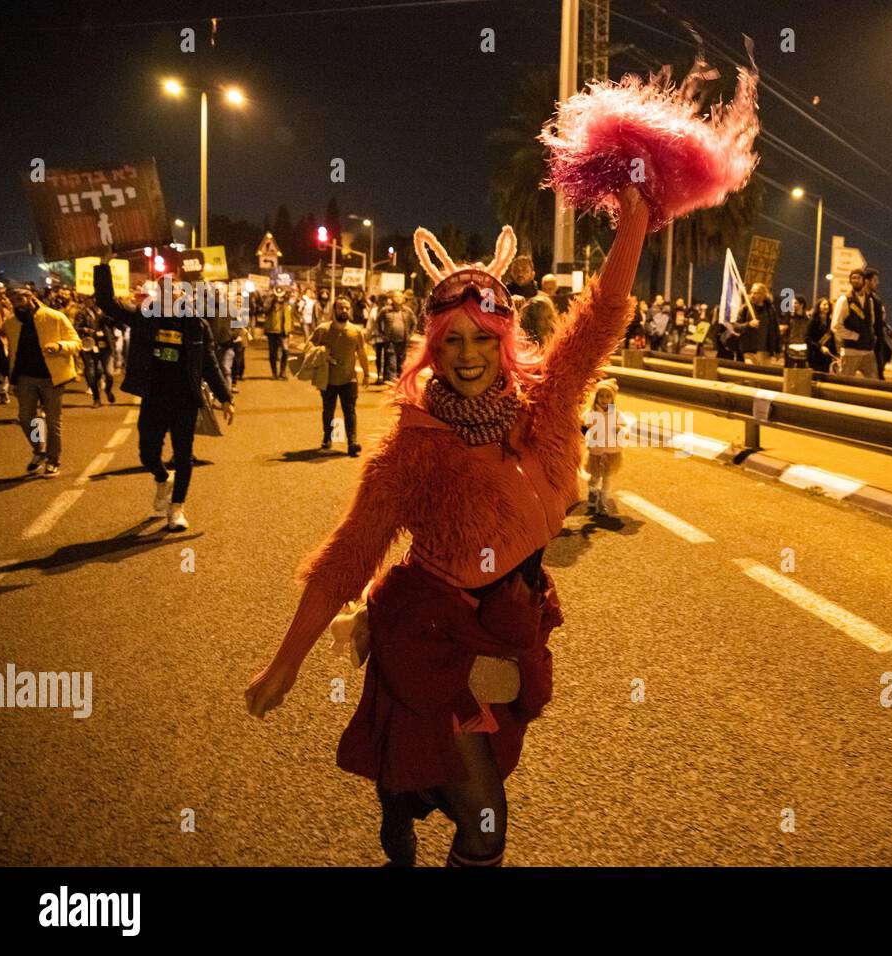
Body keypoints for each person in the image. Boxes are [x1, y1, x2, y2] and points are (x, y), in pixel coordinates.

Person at [246, 189, 651, 868]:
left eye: (482, 340)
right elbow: (345, 559)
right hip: (434, 636)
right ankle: (406, 799)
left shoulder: (545, 408)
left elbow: (600, 319)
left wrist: (636, 217)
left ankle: (400, 799)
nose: (467, 356)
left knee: (466, 770)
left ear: (504, 341)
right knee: (486, 823)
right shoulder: (410, 449)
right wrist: (285, 662)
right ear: (433, 350)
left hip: (509, 624)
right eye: (451, 341)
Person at [95, 262, 234, 531]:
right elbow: (106, 302)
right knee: (147, 453)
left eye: (174, 291)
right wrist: (103, 264)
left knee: (184, 456)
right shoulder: (145, 318)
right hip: (154, 397)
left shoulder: (196, 325)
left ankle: (177, 508)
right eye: (163, 291)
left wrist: (226, 397)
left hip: (185, 400)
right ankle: (162, 479)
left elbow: (209, 364)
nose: (169, 295)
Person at [3, 285, 81, 477]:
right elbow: (12, 352)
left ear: (30, 297)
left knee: (53, 421)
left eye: (19, 300)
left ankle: (53, 460)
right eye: (12, 301)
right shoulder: (11, 323)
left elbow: (76, 342)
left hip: (51, 378)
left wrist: (59, 346)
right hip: (25, 378)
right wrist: (12, 379)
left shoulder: (54, 317)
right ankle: (39, 450)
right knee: (27, 418)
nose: (16, 305)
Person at [312, 295, 369, 456]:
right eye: (340, 307)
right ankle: (327, 436)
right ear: (334, 310)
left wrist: (366, 374)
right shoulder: (323, 330)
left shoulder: (356, 331)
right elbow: (309, 348)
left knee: (350, 411)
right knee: (328, 410)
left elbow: (362, 353)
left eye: (346, 308)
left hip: (349, 379)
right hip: (328, 379)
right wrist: (323, 355)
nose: (344, 310)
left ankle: (352, 442)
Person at [582, 378, 628, 515]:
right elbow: (583, 427)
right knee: (595, 477)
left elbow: (625, 428)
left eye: (608, 396)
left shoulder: (617, 414)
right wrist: (587, 435)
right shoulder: (591, 413)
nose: (604, 399)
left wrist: (621, 430)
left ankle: (603, 501)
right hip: (596, 451)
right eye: (601, 395)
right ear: (596, 397)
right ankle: (592, 493)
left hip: (612, 451)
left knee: (607, 477)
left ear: (612, 399)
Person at [830, 269, 882, 378]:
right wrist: (854, 336)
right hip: (850, 352)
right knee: (845, 384)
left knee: (874, 383)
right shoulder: (844, 300)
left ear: (864, 281)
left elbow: (871, 321)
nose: (855, 280)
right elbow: (835, 326)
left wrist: (870, 336)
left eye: (858, 278)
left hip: (867, 352)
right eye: (853, 278)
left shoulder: (869, 301)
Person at [74, 297, 117, 406]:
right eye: (87, 300)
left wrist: (102, 314)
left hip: (106, 346)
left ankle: (108, 390)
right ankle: (96, 398)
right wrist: (84, 329)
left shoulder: (105, 312)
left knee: (109, 373)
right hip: (89, 345)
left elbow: (114, 322)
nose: (90, 302)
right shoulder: (82, 313)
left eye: (92, 300)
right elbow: (76, 327)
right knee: (91, 373)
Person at [378, 292, 417, 383]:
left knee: (401, 361)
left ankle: (400, 380)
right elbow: (379, 321)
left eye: (400, 296)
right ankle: (392, 381)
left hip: (403, 340)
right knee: (391, 361)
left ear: (403, 299)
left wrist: (410, 334)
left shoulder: (407, 311)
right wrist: (382, 333)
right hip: (390, 340)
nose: (398, 298)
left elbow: (414, 322)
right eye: (396, 296)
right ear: (391, 299)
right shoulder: (386, 310)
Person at [736, 283, 779, 365]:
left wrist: (777, 350)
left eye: (755, 293)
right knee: (751, 375)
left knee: (764, 375)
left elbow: (775, 330)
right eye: (751, 292)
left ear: (763, 295)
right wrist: (749, 325)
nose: (752, 295)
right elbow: (736, 326)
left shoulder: (770, 310)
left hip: (765, 351)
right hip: (749, 350)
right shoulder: (746, 308)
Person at [864, 269, 892, 378]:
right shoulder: (862, 299)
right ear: (867, 281)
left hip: (877, 343)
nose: (877, 283)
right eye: (875, 280)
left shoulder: (876, 299)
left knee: (877, 373)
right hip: (867, 343)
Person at [264, 288, 296, 379]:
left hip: (284, 332)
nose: (279, 297)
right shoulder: (271, 302)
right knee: (273, 353)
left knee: (285, 351)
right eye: (277, 294)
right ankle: (274, 373)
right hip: (272, 331)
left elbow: (291, 317)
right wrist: (272, 300)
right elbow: (264, 309)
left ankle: (282, 372)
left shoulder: (288, 304)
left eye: (281, 294)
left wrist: (290, 330)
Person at [805, 298, 836, 372]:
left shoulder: (830, 321)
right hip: (815, 355)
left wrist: (834, 353)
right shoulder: (813, 321)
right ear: (818, 306)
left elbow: (831, 338)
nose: (826, 306)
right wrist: (820, 347)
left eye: (828, 305)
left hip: (826, 357)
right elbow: (807, 339)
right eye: (824, 304)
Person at [784, 294, 810, 368]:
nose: (793, 305)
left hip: (802, 347)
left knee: (801, 369)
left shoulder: (807, 318)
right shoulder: (789, 316)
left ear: (801, 305)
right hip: (790, 346)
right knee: (789, 369)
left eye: (795, 303)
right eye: (792, 303)